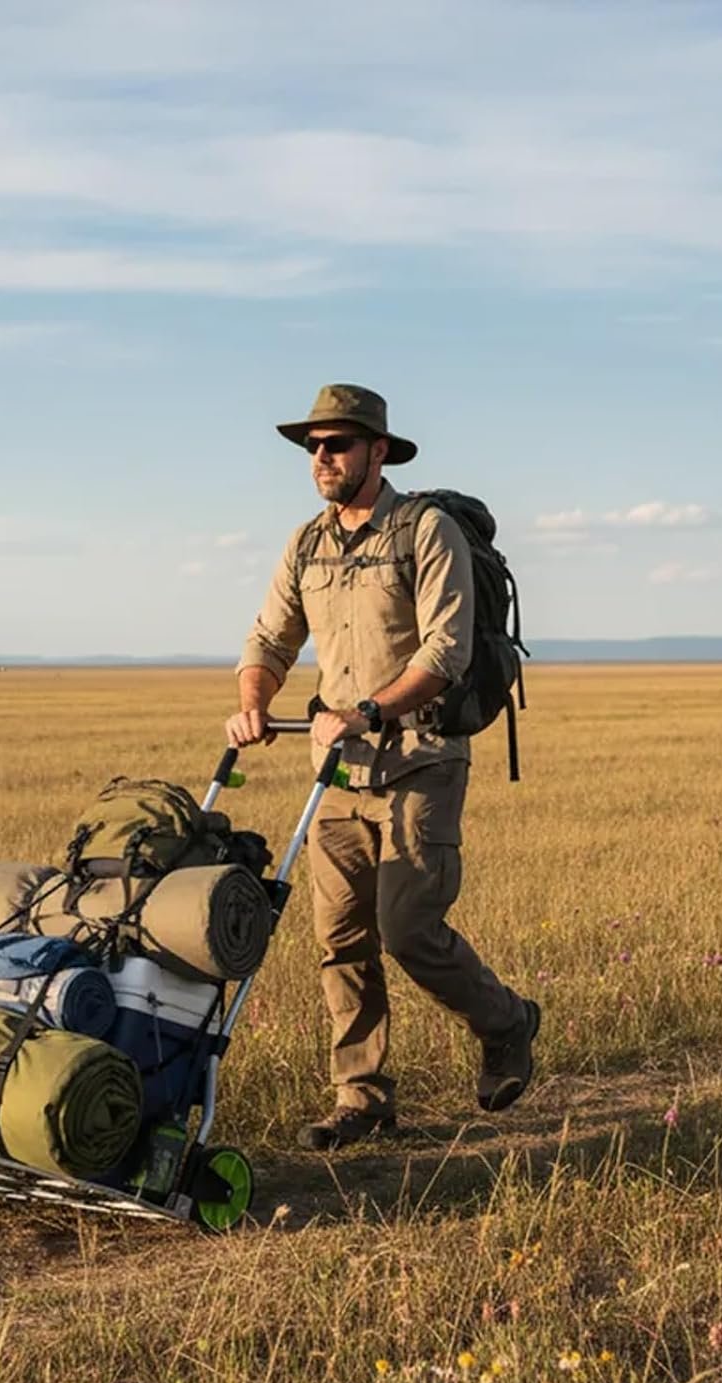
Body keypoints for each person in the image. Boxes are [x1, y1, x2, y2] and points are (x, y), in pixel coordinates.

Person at [226, 383, 541, 1149]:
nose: (321, 457)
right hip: (338, 772)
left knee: (408, 931)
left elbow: (446, 652)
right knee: (340, 942)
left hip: (420, 761)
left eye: (337, 444)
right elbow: (269, 639)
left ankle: (507, 1022)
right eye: (313, 447)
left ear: (377, 451)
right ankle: (362, 1099)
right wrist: (253, 702)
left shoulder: (425, 531)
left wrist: (368, 710)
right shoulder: (306, 544)